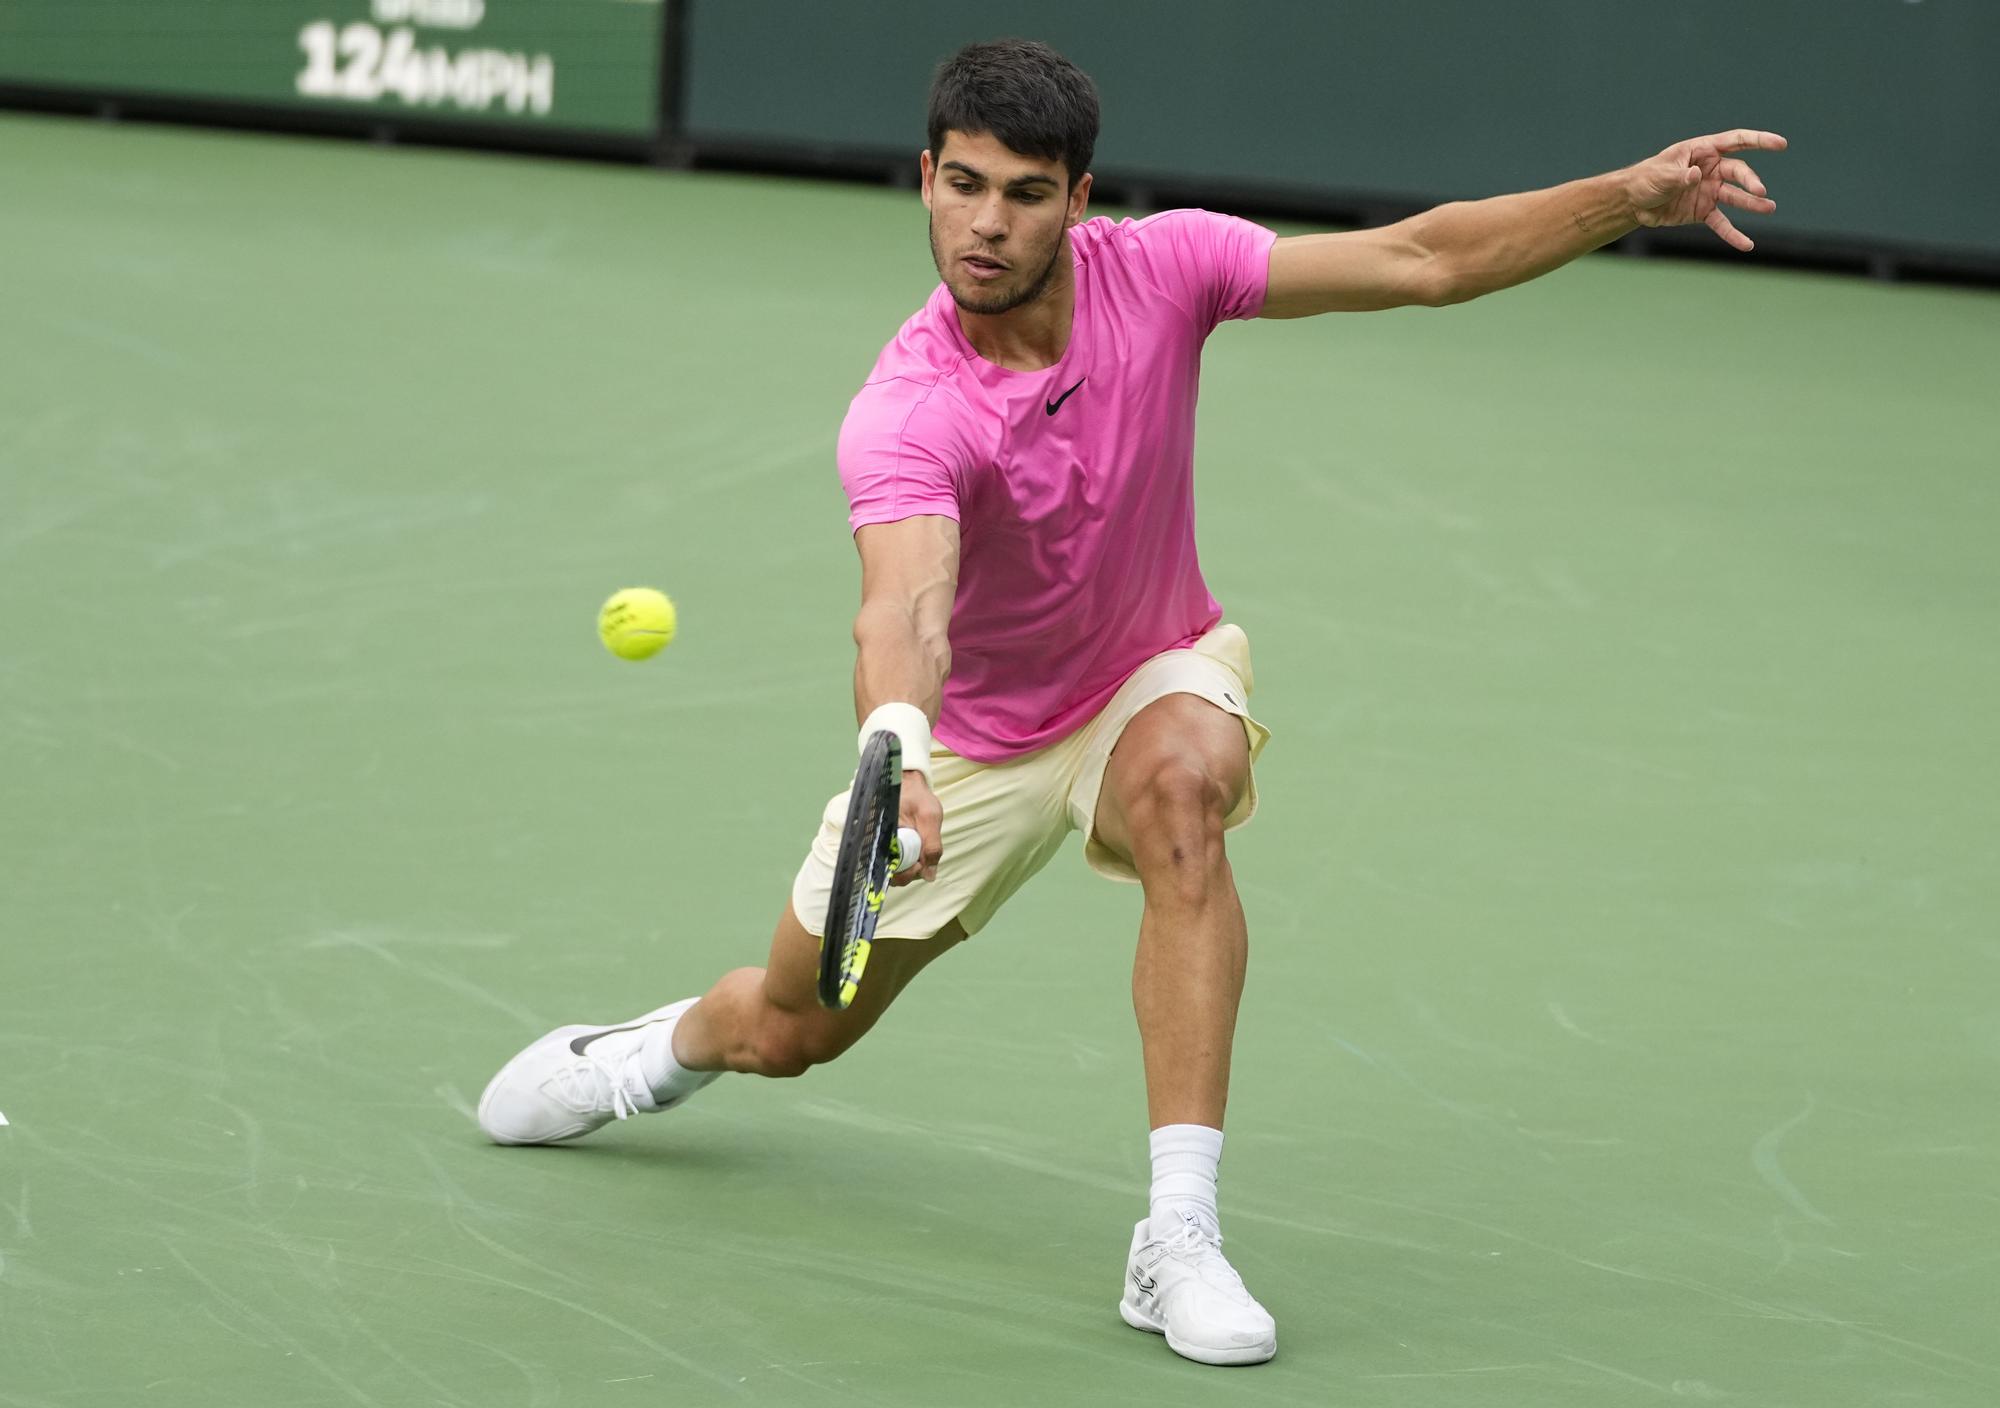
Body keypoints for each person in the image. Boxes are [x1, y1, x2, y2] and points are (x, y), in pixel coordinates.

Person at [476, 38, 1785, 1367]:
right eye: (964, 185)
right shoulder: (908, 410)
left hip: (1150, 670)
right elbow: (907, 608)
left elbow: (1425, 259)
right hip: (973, 747)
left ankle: (1178, 1237)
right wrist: (898, 749)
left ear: (1079, 199)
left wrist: (1628, 197)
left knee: (1182, 795)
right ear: (925, 178)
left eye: (1025, 194)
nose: (986, 225)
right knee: (787, 1030)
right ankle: (656, 1054)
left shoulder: (1167, 269)